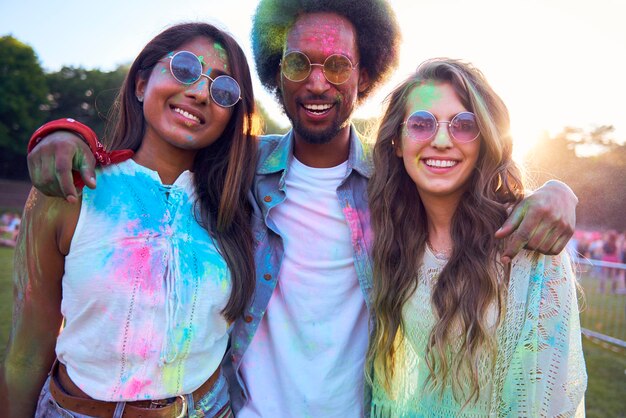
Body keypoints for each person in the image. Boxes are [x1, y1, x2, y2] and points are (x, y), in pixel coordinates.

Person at [24, 1, 579, 416]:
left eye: (338, 65)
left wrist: (556, 190)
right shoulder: (236, 174)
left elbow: (460, 176)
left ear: (365, 78)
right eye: (298, 62)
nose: (318, 82)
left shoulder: (393, 186)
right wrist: (62, 132)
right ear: (275, 73)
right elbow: (162, 150)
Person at [0, 22, 258, 418]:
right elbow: (25, 356)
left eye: (224, 90)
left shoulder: (240, 209)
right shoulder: (70, 191)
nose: (200, 92)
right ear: (141, 84)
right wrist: (63, 132)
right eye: (185, 68)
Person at [367, 58, 586, 416]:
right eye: (421, 124)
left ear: (484, 140)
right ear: (396, 142)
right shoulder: (394, 238)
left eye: (463, 125)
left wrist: (560, 190)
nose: (440, 141)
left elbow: (548, 400)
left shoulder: (528, 245)